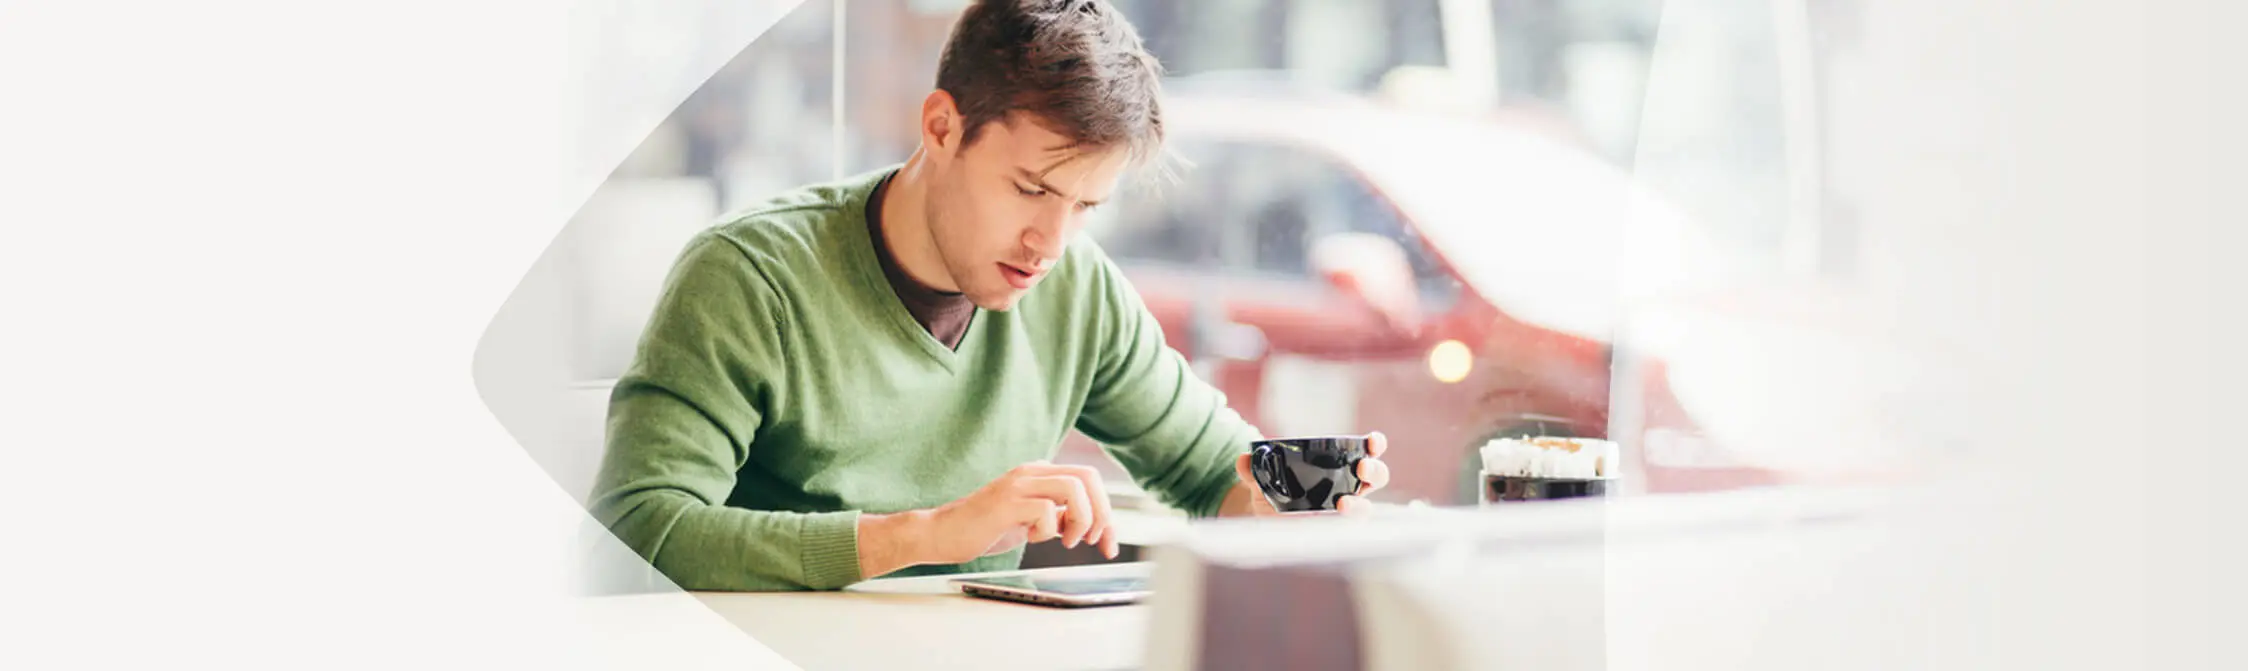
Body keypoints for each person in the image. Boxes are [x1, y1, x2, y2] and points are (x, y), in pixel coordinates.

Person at [588, 0, 1392, 592]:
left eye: (1084, 207)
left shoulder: (1078, 292)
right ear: (941, 127)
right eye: (1029, 188)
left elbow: (1217, 474)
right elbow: (639, 527)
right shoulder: (750, 275)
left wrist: (1297, 503)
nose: (1051, 243)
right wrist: (930, 533)